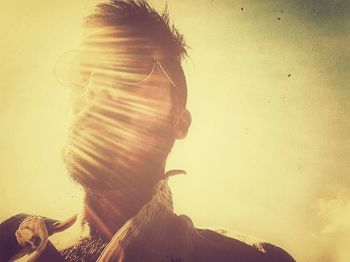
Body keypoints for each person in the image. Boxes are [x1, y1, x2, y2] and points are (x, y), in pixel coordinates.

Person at [0, 1, 295, 261]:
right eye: (84, 74)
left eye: (127, 67)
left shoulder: (247, 258)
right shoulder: (8, 239)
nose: (93, 87)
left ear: (178, 122)